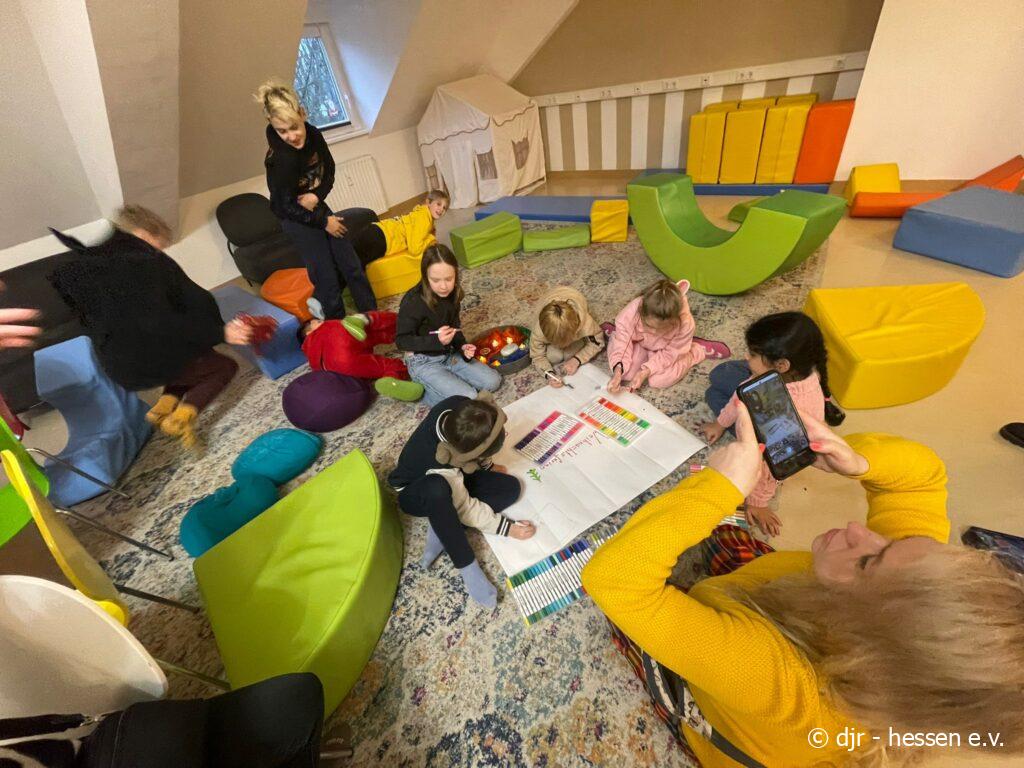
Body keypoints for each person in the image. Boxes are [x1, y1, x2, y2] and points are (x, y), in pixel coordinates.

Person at [583, 403, 1024, 767]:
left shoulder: (777, 679)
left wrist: (717, 487)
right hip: (768, 596)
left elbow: (614, 580)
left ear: (859, 642)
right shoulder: (908, 603)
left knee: (624, 613)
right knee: (720, 535)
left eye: (868, 560)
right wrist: (858, 461)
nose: (859, 530)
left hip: (727, 704)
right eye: (893, 541)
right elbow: (923, 477)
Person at [48, 206, 253, 448]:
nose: (160, 252)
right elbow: (157, 320)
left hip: (120, 361)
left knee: (194, 360)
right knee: (223, 367)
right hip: (145, 355)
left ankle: (164, 405)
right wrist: (220, 332)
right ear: (144, 234)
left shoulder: (93, 263)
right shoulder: (140, 264)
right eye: (160, 246)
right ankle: (180, 420)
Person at [387, 393, 535, 608]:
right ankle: (467, 567)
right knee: (438, 489)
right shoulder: (443, 465)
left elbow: (479, 444)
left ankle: (444, 520)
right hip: (416, 490)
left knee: (511, 488)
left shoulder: (461, 406)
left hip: (455, 472)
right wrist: (507, 528)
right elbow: (467, 508)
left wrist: (488, 466)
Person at [699, 312, 831, 537]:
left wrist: (757, 502)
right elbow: (739, 394)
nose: (745, 356)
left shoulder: (777, 411)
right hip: (767, 384)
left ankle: (752, 378)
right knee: (720, 375)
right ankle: (756, 370)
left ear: (782, 365)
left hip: (767, 434)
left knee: (713, 393)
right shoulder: (805, 370)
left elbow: (770, 466)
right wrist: (719, 424)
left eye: (752, 354)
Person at [256, 80, 376, 317]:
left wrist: (316, 195)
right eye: (282, 131)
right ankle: (336, 326)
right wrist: (324, 222)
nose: (291, 136)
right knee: (326, 278)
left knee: (351, 264)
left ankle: (373, 315)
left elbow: (328, 171)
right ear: (271, 124)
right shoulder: (279, 159)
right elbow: (282, 206)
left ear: (302, 114)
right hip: (295, 219)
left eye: (294, 127)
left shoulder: (313, 135)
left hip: (316, 207)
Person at [395, 244, 501, 406]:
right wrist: (437, 341)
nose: (444, 286)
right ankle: (420, 392)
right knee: (468, 398)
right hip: (422, 361)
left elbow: (454, 327)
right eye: (436, 280)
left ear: (456, 275)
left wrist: (462, 346)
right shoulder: (413, 302)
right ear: (425, 276)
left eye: (449, 279)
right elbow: (401, 341)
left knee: (493, 382)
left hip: (449, 354)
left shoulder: (453, 294)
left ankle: (446, 384)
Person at [607, 278, 729, 394]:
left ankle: (694, 350)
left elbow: (670, 354)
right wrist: (618, 371)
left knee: (658, 381)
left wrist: (646, 371)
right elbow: (622, 341)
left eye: (661, 329)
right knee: (626, 373)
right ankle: (617, 334)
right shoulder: (634, 309)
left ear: (675, 320)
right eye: (649, 326)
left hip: (668, 349)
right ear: (642, 312)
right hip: (641, 342)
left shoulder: (685, 323)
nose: (654, 331)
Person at [298, 310, 423, 401]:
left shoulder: (310, 353)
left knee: (381, 366)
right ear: (309, 332)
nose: (323, 321)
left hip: (339, 371)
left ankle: (390, 379)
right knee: (373, 327)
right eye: (319, 321)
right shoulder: (326, 328)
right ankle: (370, 319)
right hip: (342, 341)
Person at [529, 286, 605, 387]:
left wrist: (577, 359)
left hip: (572, 293)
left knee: (568, 354)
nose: (562, 347)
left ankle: (571, 347)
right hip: (549, 299)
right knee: (554, 357)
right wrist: (549, 375)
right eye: (556, 343)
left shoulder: (585, 324)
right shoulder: (539, 331)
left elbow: (598, 342)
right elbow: (537, 357)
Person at [351, 189, 449, 267]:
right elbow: (415, 249)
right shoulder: (424, 219)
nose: (441, 209)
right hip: (382, 239)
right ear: (428, 202)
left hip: (377, 229)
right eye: (438, 204)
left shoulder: (420, 212)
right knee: (352, 266)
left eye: (444, 208)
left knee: (348, 255)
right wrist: (431, 238)